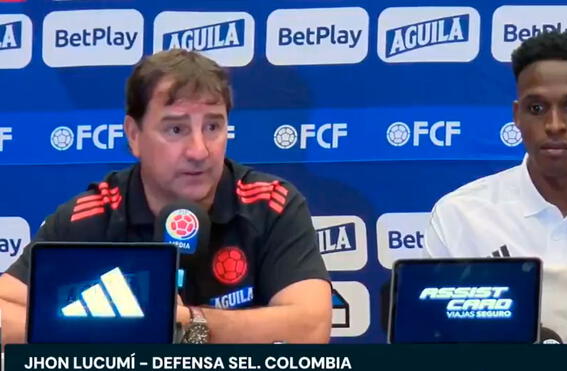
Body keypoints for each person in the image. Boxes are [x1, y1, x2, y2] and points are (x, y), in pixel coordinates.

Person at [0, 49, 332, 344]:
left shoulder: (270, 203)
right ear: (134, 135)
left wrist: (191, 323)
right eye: (176, 129)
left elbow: (311, 326)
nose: (199, 151)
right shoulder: (93, 215)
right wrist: (121, 326)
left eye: (213, 127)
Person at [424, 31, 567, 343]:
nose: (554, 125)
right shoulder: (459, 216)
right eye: (537, 108)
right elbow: (434, 345)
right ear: (517, 115)